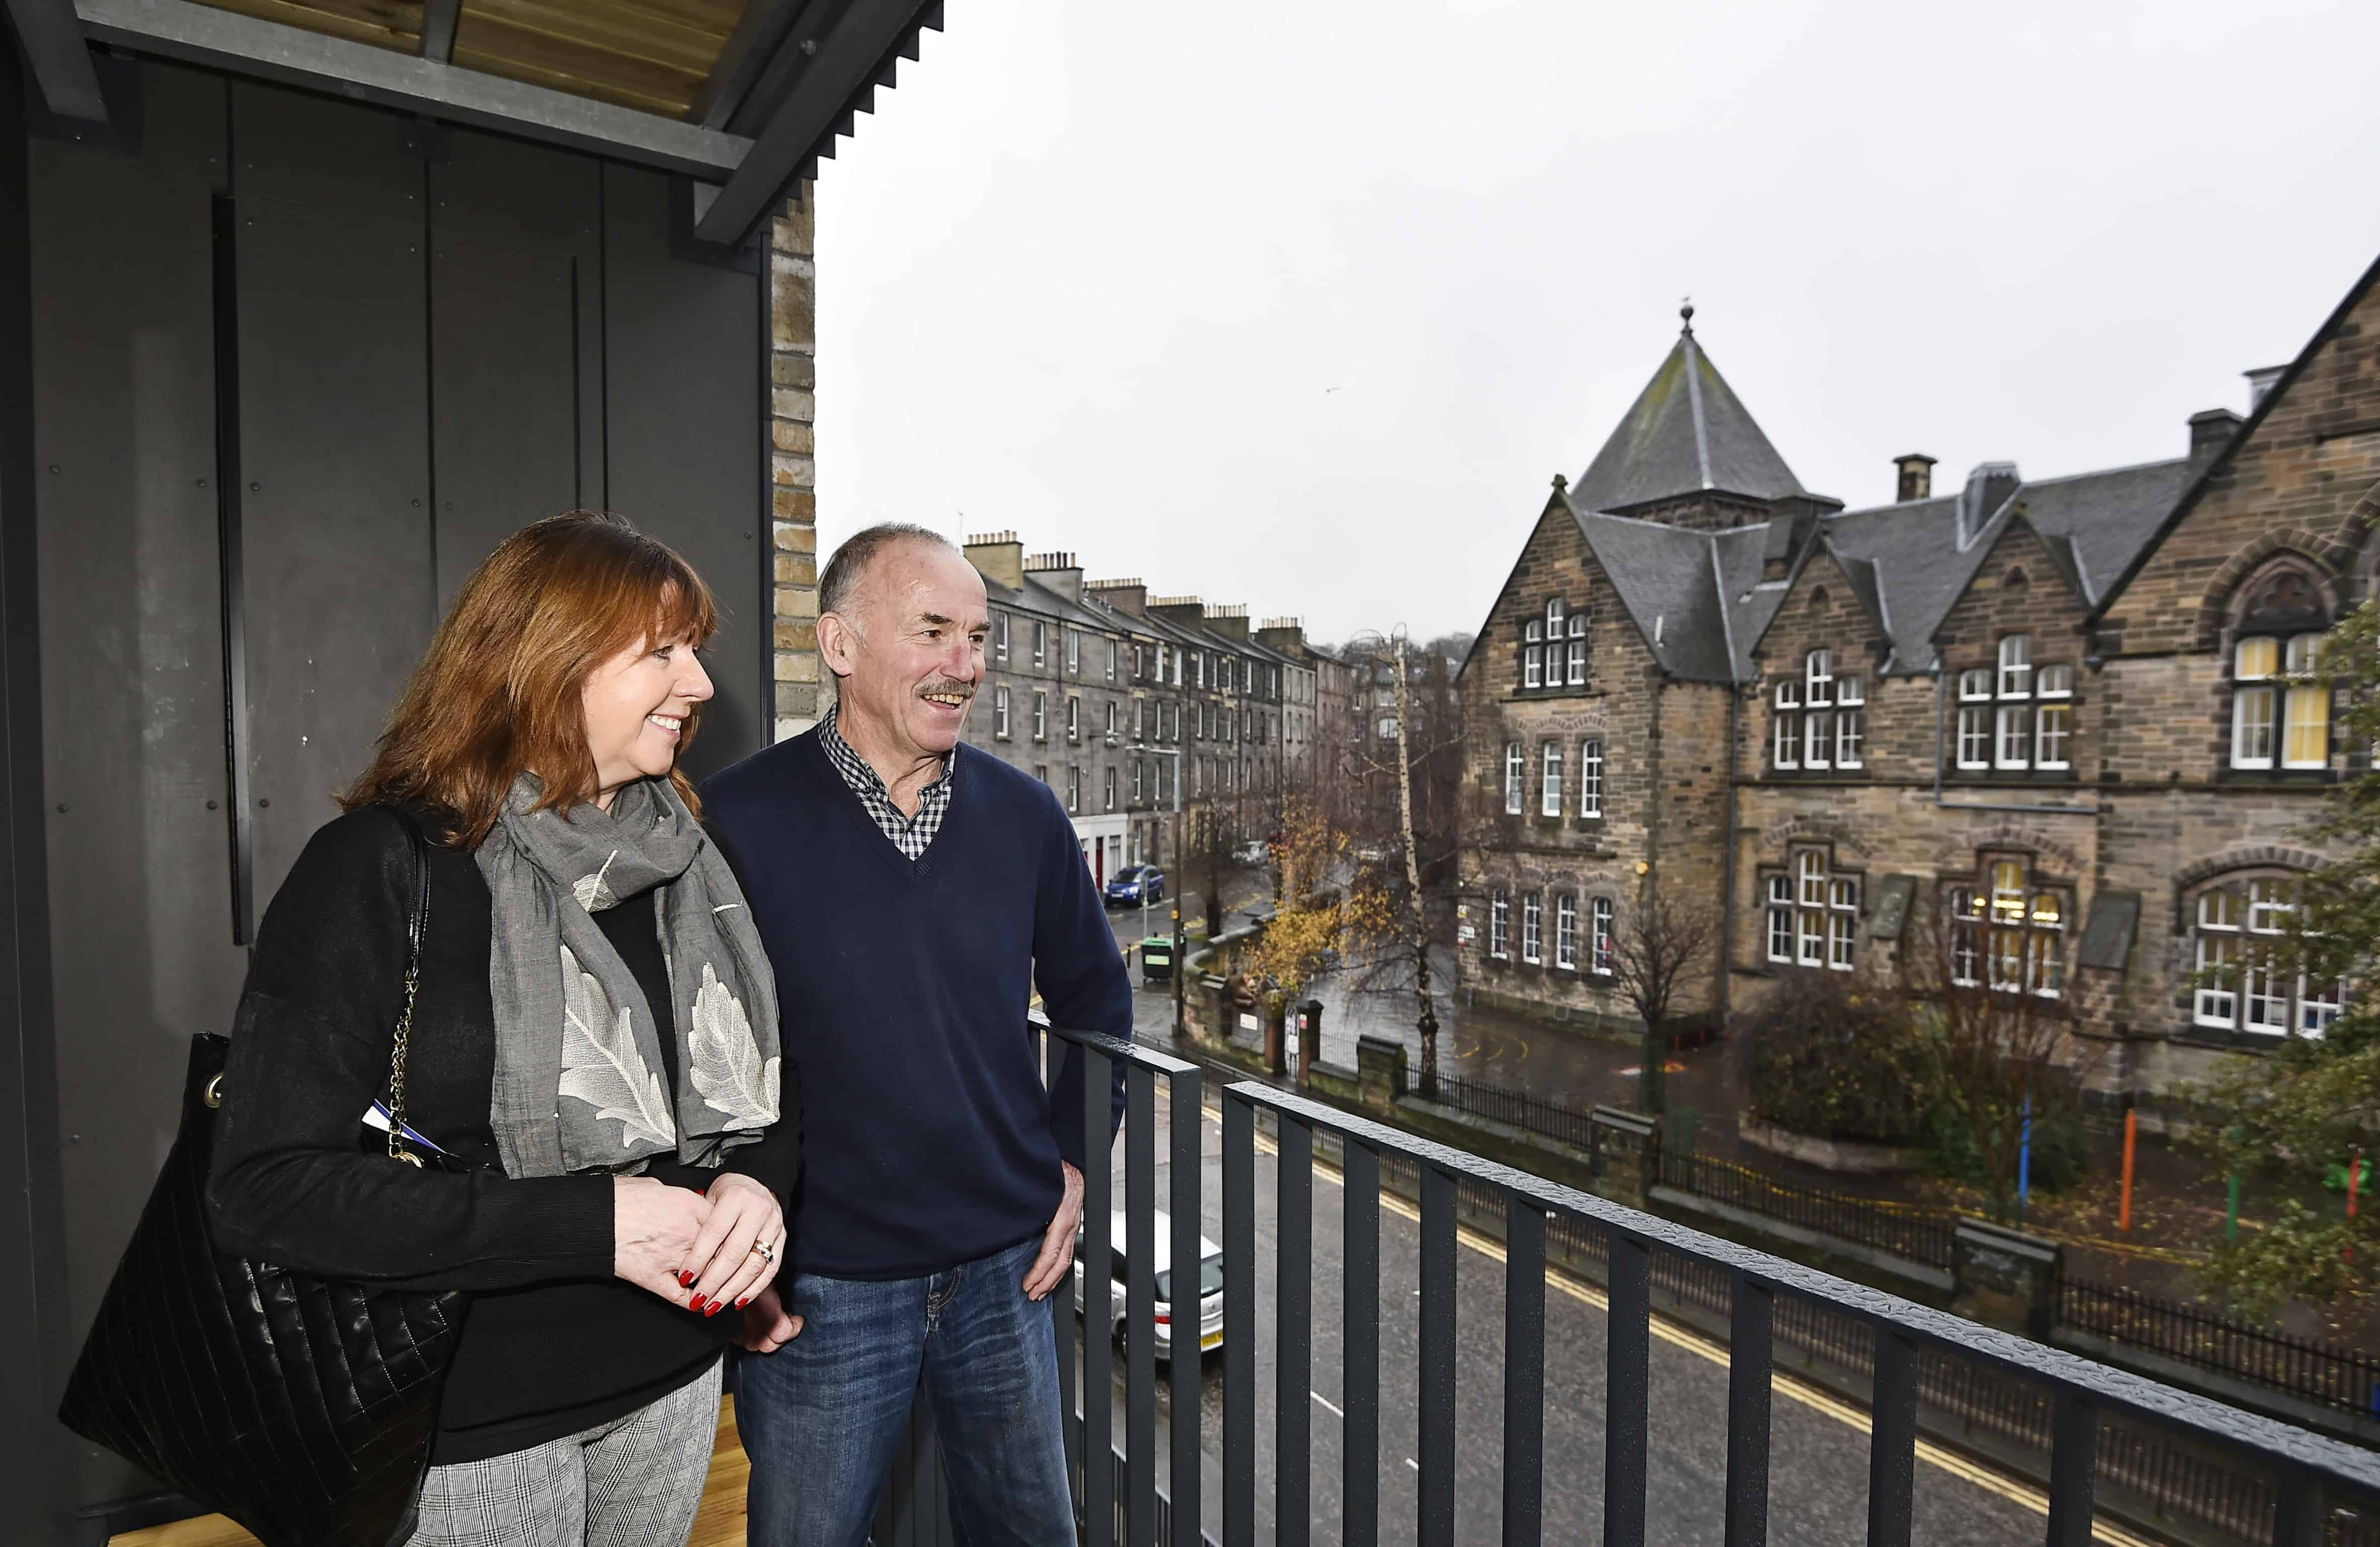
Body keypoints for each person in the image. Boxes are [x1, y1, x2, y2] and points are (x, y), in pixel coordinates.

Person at [208, 511, 797, 1547]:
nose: (701, 684)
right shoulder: (378, 870)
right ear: (544, 665)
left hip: (674, 1379)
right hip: (464, 1415)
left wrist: (759, 1182)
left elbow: (771, 1092)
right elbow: (267, 1189)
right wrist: (595, 1227)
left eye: (693, 651)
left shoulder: (692, 863)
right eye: (662, 651)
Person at [703, 522, 1131, 1547]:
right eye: (933, 631)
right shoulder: (731, 820)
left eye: (977, 637)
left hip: (1004, 1272)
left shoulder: (1026, 817)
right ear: (840, 645)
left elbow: (1096, 1002)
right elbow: (693, 1058)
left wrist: (1072, 1162)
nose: (965, 666)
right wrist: (733, 1258)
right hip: (820, 1287)